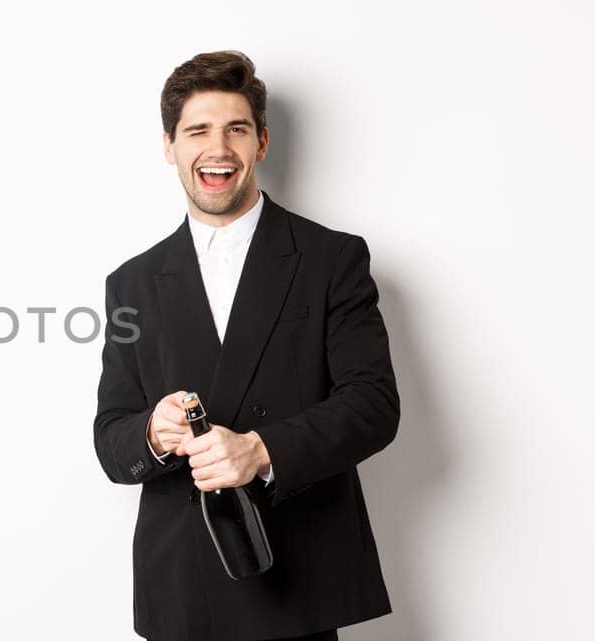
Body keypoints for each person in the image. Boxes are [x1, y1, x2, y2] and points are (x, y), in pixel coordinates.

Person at [93, 50, 400, 641]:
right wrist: (153, 434)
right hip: (183, 586)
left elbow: (374, 406)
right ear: (169, 146)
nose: (217, 148)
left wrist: (260, 450)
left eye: (235, 129)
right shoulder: (130, 283)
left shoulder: (331, 259)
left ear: (261, 142)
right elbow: (111, 442)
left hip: (296, 579)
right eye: (197, 131)